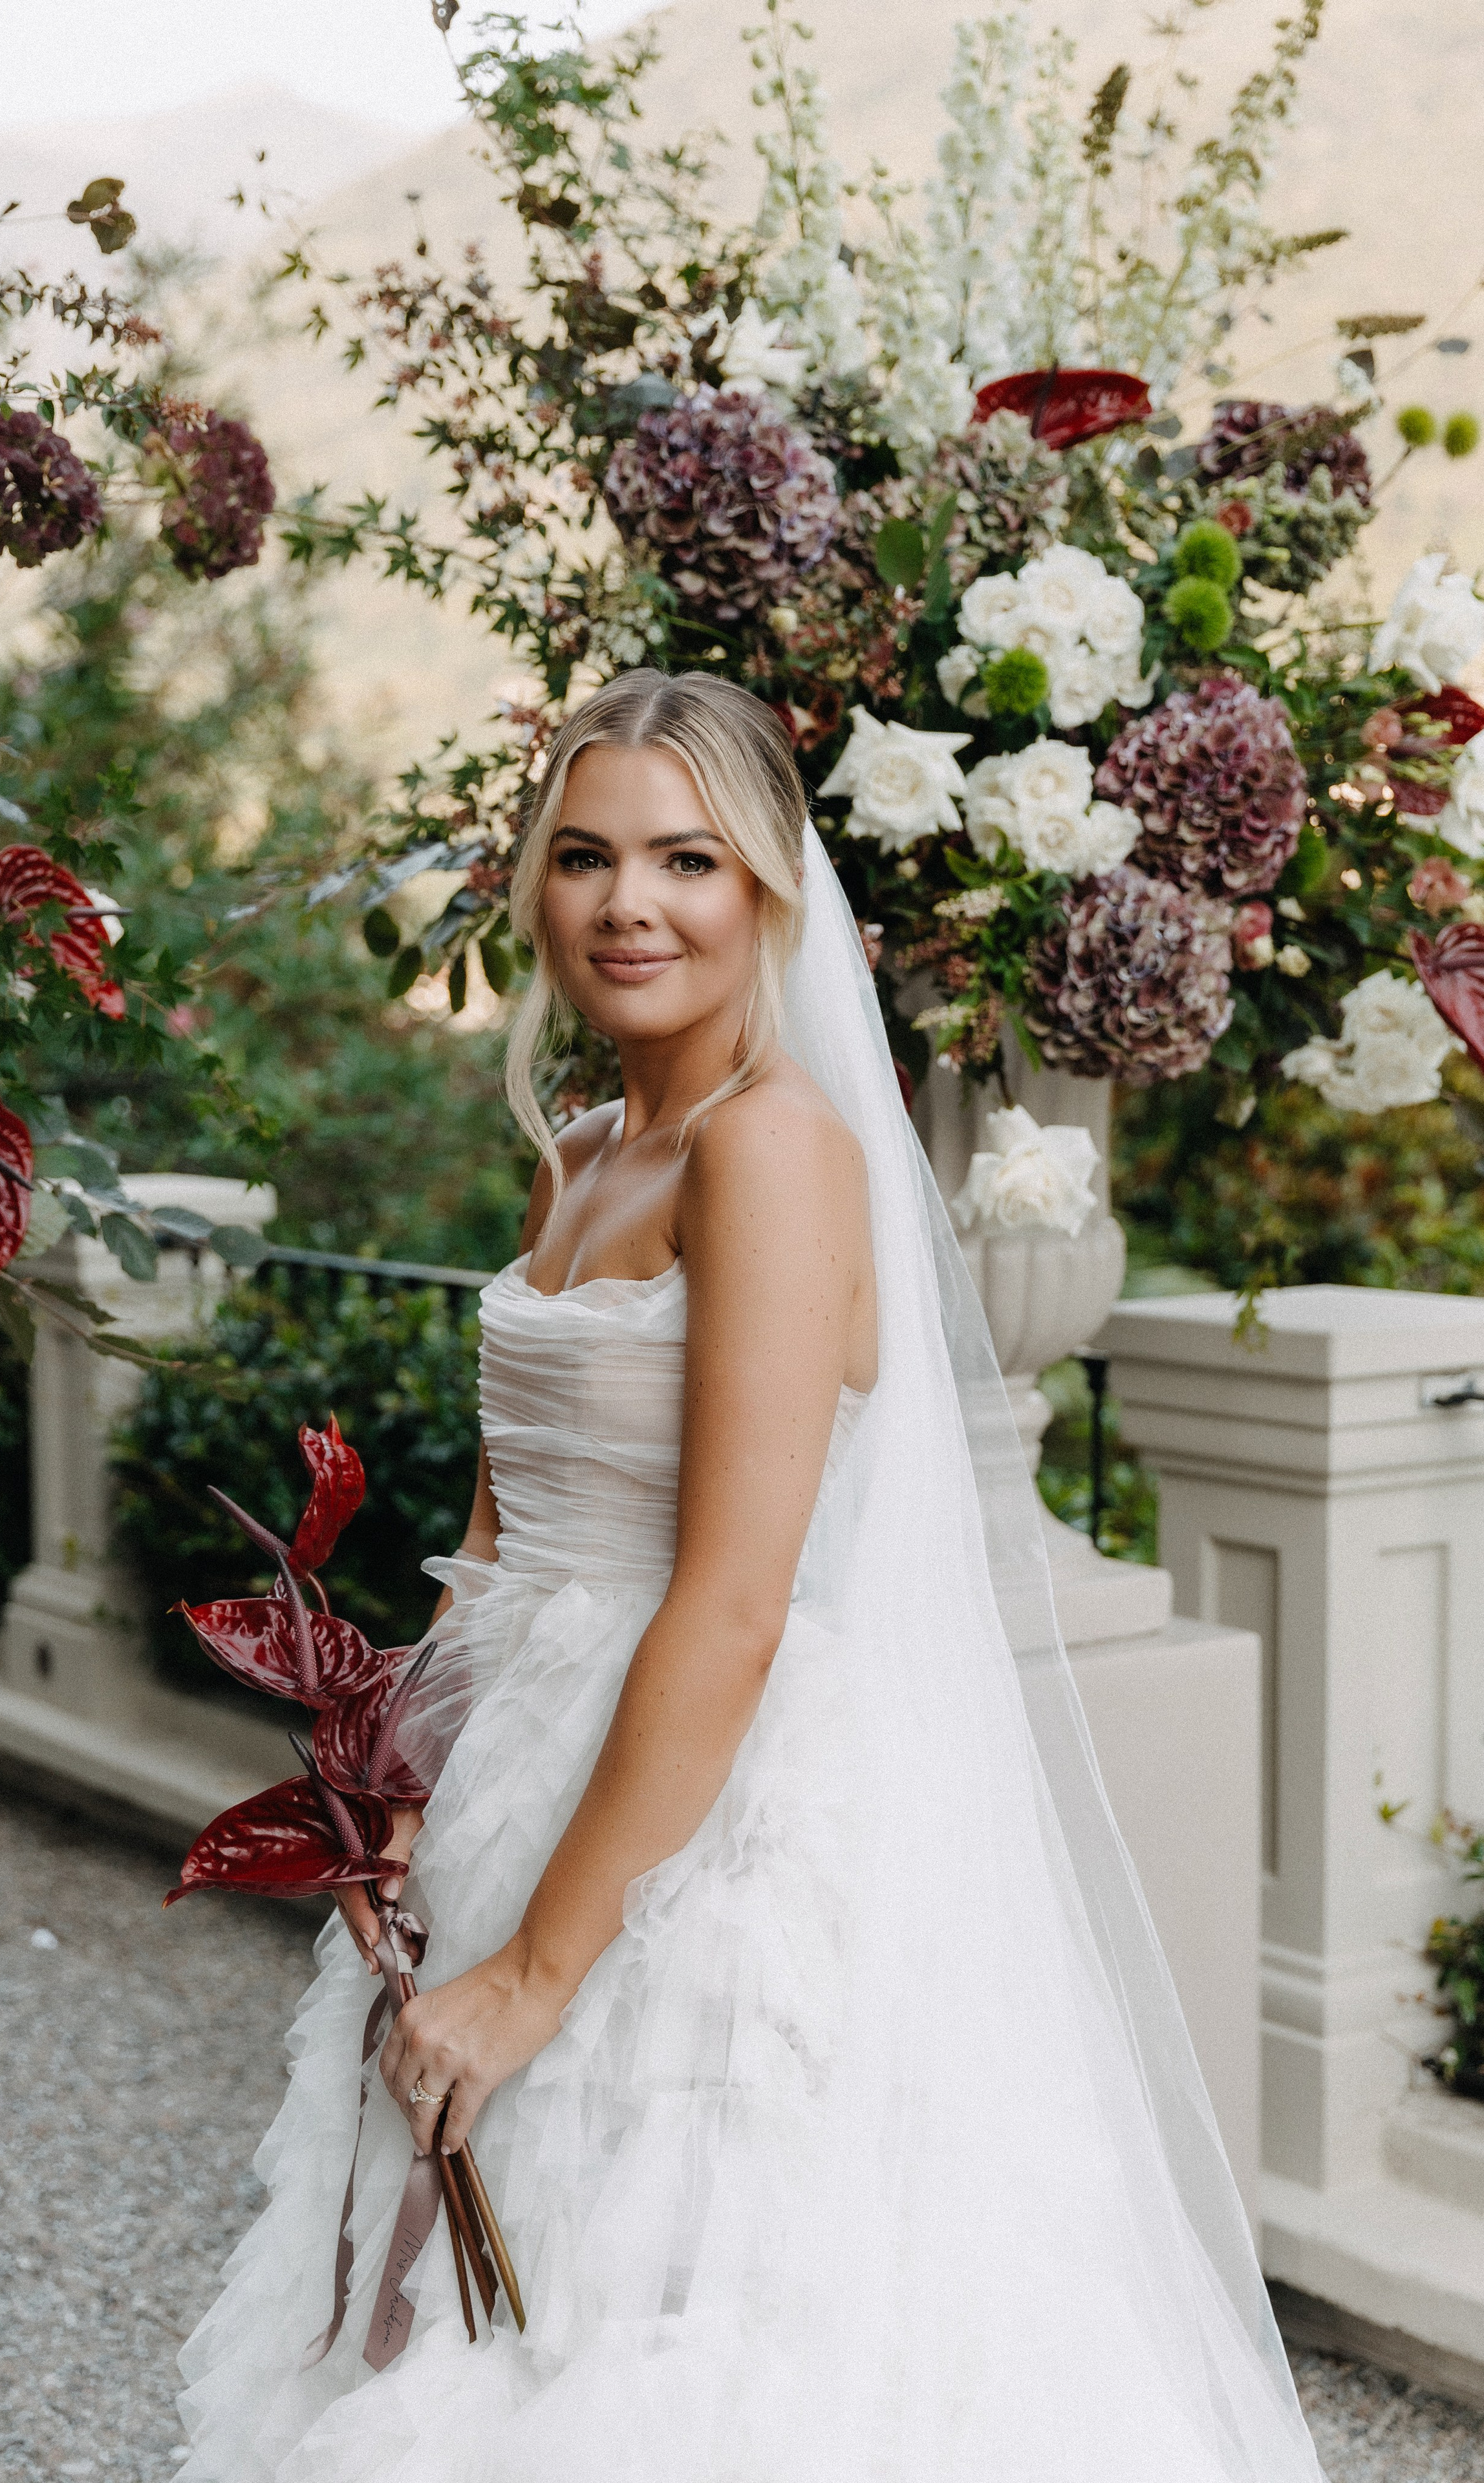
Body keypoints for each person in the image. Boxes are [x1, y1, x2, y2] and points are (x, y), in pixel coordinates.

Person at [178, 671, 1324, 2482]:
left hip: (690, 1814)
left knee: (668, 2332)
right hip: (512, 1779)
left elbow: (730, 1596)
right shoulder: (579, 1157)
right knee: (461, 2303)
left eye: (686, 858)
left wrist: (539, 1972)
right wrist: (387, 1800)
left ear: (770, 891)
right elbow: (496, 1537)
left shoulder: (771, 1150)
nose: (629, 903)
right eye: (585, 858)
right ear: (533, 895)